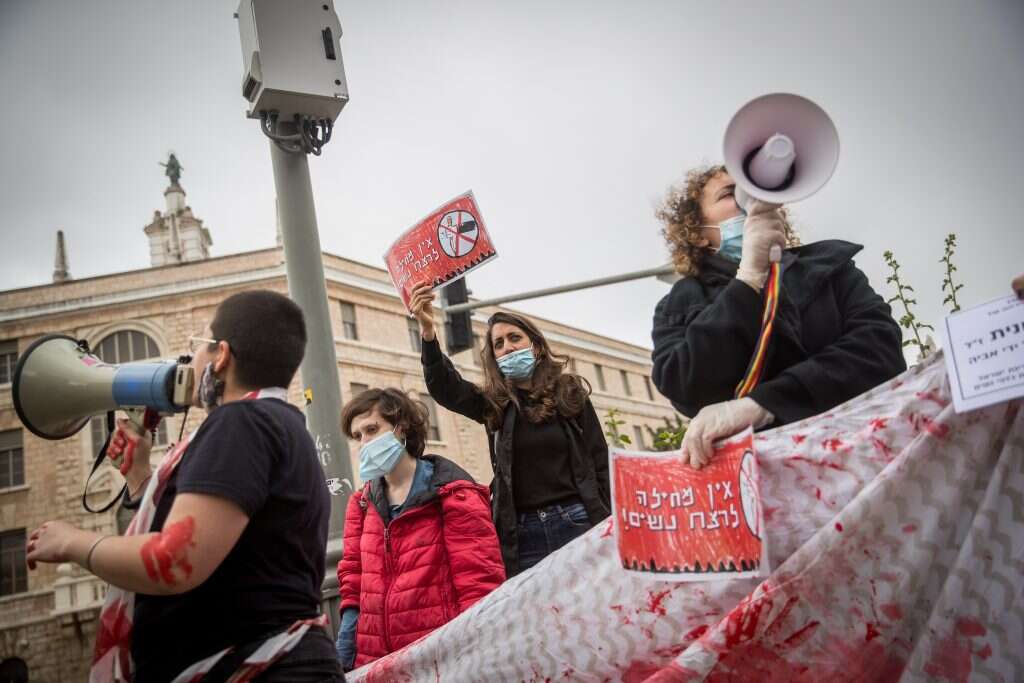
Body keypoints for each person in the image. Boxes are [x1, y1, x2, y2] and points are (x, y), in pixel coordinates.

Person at [26, 290, 342, 682]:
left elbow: (175, 560)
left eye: (198, 349)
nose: (192, 362)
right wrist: (141, 478)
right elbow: (239, 550)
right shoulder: (281, 424)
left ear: (222, 355)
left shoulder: (241, 422)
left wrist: (73, 543)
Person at [652, 165, 906, 469]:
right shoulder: (681, 303)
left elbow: (881, 351)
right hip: (762, 480)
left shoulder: (832, 268)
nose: (750, 199)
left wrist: (763, 405)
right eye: (730, 194)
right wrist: (748, 279)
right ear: (698, 234)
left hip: (862, 459)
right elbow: (685, 384)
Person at [408, 283, 611, 576]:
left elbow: (599, 458)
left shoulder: (569, 393)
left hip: (577, 522)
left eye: (514, 338)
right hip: (523, 534)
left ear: (536, 346)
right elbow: (444, 387)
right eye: (499, 344)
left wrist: (610, 520)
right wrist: (428, 331)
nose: (507, 347)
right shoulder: (495, 405)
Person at [335, 388, 504, 670]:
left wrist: (477, 656)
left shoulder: (453, 493)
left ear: (400, 428)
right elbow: (353, 581)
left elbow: (478, 582)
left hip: (439, 659)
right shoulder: (361, 504)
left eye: (372, 429)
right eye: (357, 436)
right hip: (377, 662)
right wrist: (344, 653)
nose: (365, 443)